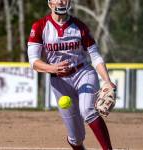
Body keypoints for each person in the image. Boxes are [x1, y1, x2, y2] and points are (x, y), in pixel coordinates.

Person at [27, 0, 116, 149]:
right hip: (59, 82)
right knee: (76, 139)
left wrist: (107, 80)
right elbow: (33, 61)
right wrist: (51, 68)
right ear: (50, 3)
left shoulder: (79, 26)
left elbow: (95, 57)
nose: (61, 1)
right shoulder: (40, 27)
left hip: (83, 73)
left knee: (88, 110)